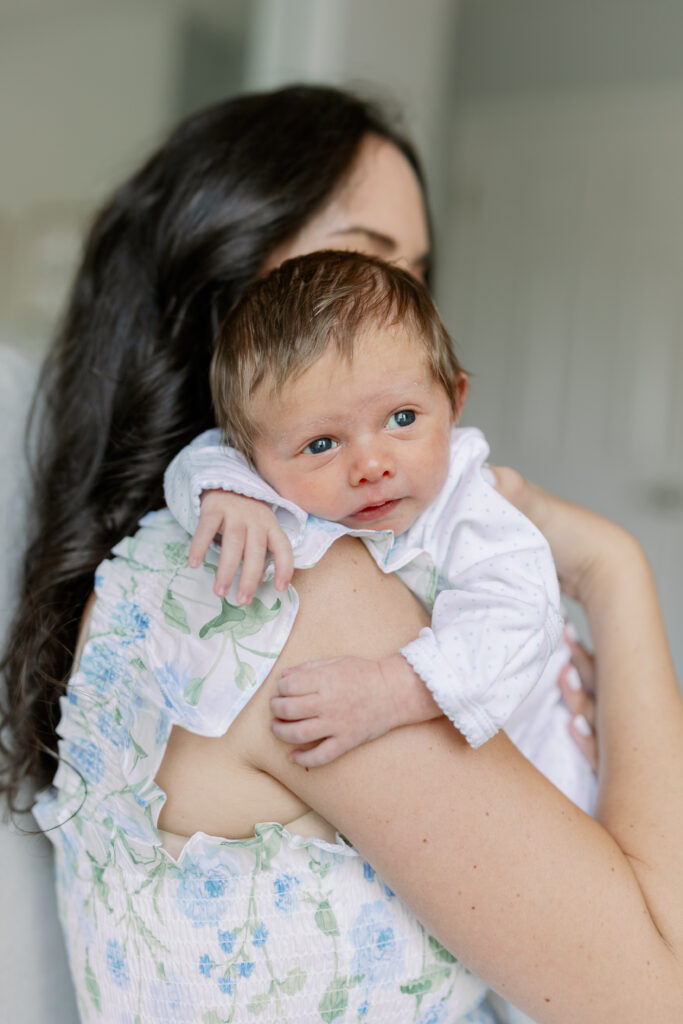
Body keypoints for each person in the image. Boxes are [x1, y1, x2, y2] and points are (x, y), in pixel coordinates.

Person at [0, 84, 681, 1023]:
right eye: (357, 259)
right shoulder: (301, 596)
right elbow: (655, 997)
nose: (389, 306)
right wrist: (612, 570)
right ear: (228, 280)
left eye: (413, 272)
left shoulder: (159, 567)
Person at [164, 248, 595, 816]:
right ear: (253, 458)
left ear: (454, 401)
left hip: (545, 753)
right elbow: (201, 457)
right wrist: (226, 494)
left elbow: (515, 620)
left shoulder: (469, 507)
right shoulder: (254, 473)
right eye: (322, 444)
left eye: (403, 419)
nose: (372, 464)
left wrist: (387, 692)